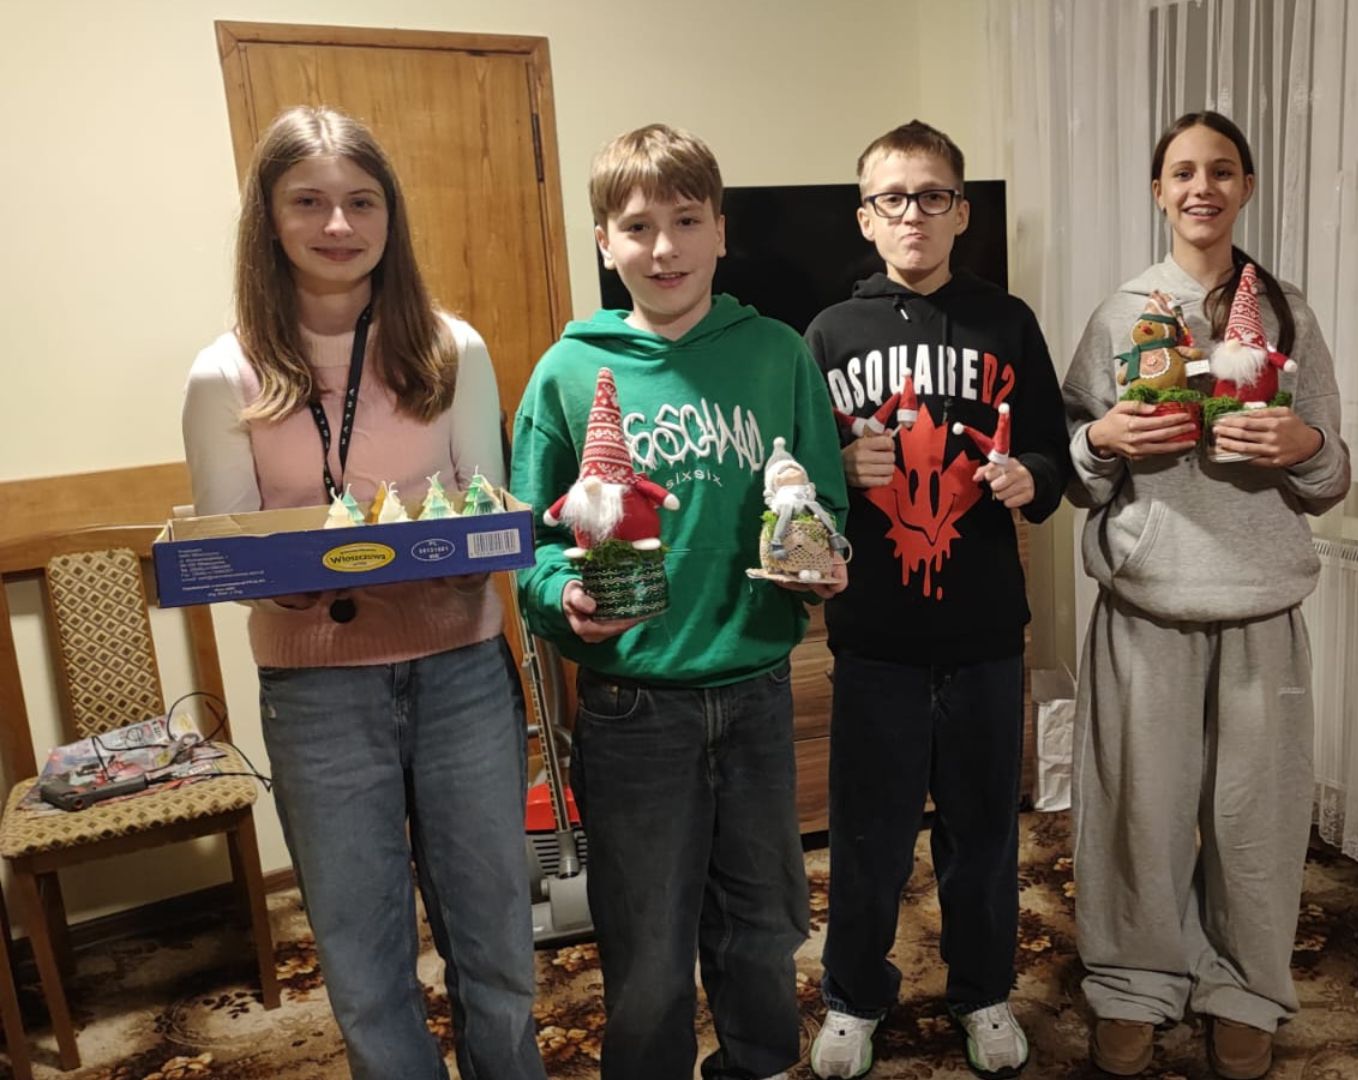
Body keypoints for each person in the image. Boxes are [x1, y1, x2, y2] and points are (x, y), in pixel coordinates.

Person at [181, 105, 544, 1080]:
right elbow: (230, 550)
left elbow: (487, 505)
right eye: (308, 201)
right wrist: (291, 585)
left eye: (361, 201)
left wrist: (470, 557)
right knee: (363, 960)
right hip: (318, 694)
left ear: (391, 216)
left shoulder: (453, 349)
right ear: (269, 218)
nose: (338, 224)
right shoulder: (223, 375)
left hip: (463, 671)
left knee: (497, 943)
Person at [510, 123, 847, 1080]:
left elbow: (823, 498)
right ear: (604, 241)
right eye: (637, 226)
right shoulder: (566, 372)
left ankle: (760, 1065)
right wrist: (567, 597)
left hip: (757, 689)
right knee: (649, 946)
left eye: (687, 221)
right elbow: (528, 545)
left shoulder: (776, 353)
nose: (664, 248)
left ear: (721, 231)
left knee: (765, 923)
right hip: (633, 709)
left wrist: (830, 558)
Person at [1061, 110, 1350, 1079]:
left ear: (1246, 188)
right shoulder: (1119, 315)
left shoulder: (1287, 312)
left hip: (1263, 602)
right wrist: (1101, 440)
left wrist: (1305, 445)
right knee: (1136, 812)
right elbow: (1077, 468)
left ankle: (1245, 989)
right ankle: (1132, 982)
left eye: (1221, 170)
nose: (1202, 187)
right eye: (1182, 171)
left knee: (1256, 821)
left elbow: (1330, 476)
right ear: (1158, 191)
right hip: (1148, 603)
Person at [802, 119, 1070, 1080]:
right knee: (867, 833)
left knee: (984, 829)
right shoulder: (828, 334)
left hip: (985, 627)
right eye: (892, 198)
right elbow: (791, 480)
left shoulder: (1010, 321)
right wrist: (837, 467)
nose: (912, 214)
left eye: (932, 196)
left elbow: (1054, 449)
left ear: (961, 211)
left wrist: (1031, 477)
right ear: (866, 218)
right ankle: (853, 996)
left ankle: (983, 991)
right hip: (875, 630)